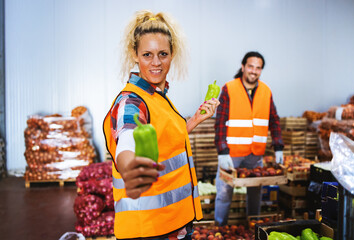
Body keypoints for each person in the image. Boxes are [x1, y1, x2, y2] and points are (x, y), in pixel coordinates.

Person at [103, 10, 219, 239]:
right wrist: (130, 168)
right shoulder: (131, 101)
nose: (156, 63)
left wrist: (195, 120)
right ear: (134, 54)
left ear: (172, 54)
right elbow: (128, 137)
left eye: (163, 54)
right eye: (147, 54)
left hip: (173, 223)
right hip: (150, 230)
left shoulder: (157, 97)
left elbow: (164, 140)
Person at [214, 51, 284, 225]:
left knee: (255, 193)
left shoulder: (266, 91)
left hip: (255, 155)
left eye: (258, 68)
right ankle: (219, 227)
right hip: (232, 154)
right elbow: (220, 122)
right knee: (224, 193)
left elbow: (274, 120)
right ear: (243, 67)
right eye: (251, 66)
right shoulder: (229, 88)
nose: (254, 71)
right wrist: (222, 152)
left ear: (261, 70)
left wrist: (279, 147)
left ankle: (253, 228)